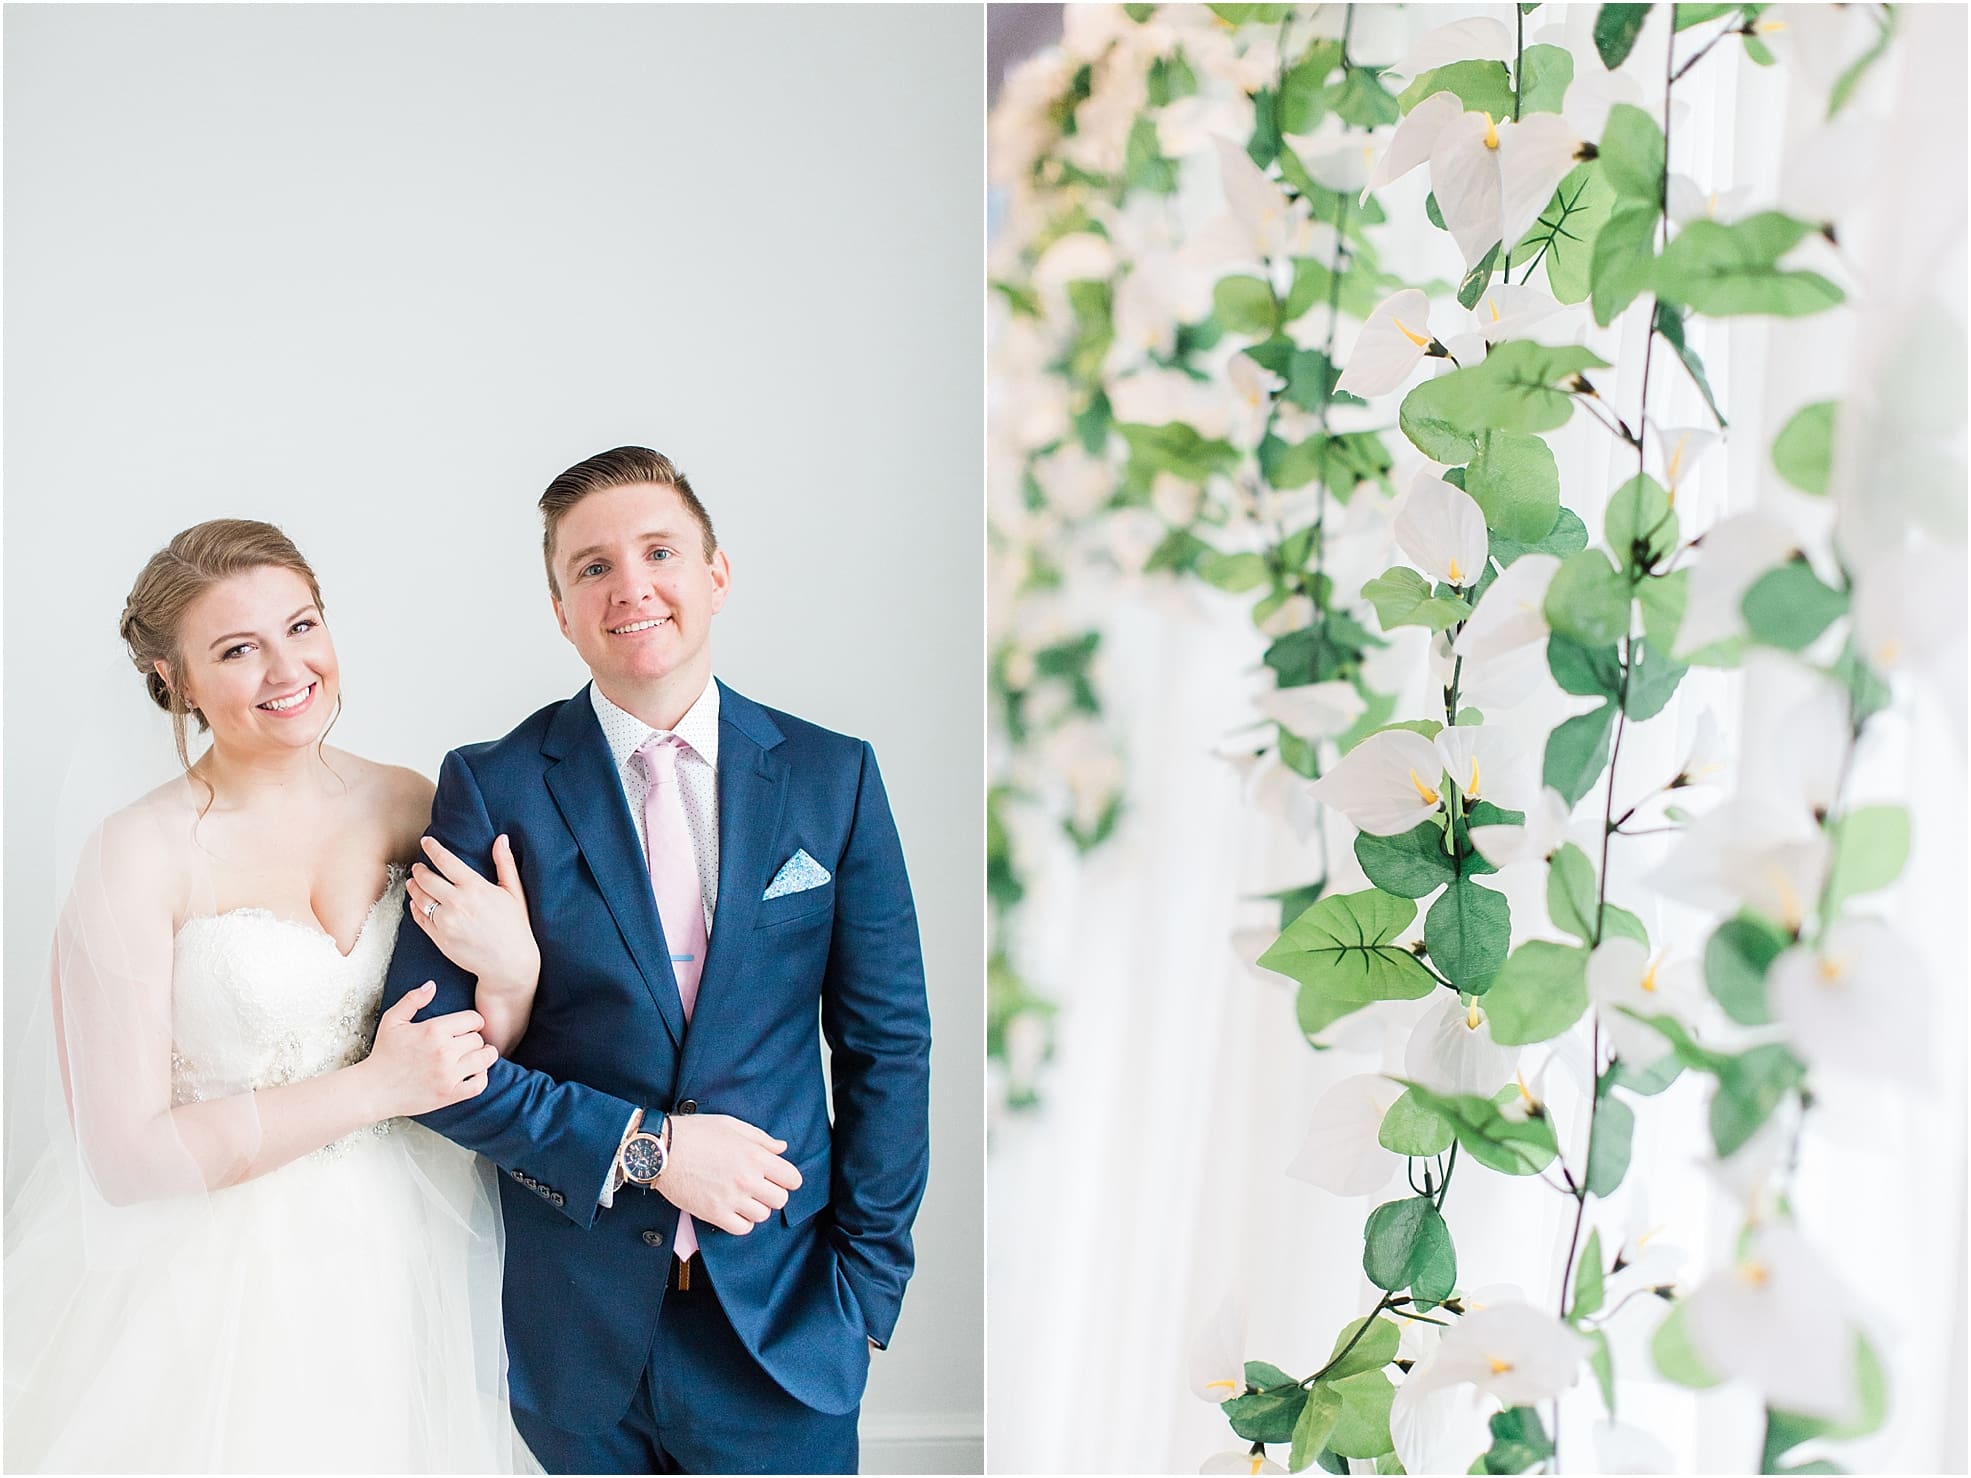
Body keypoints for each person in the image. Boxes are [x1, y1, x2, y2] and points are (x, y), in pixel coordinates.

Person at [380, 445, 933, 1475]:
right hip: (577, 1336)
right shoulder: (492, 786)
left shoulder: (833, 775)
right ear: (560, 608)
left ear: (716, 575)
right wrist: (647, 1147)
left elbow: (888, 1047)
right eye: (592, 566)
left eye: (659, 550)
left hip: (787, 1327)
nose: (630, 584)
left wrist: (865, 1290)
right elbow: (426, 1071)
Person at [3, 519, 540, 1472]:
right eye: (237, 649)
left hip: (403, 1248)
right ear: (175, 680)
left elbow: (472, 1049)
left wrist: (514, 973)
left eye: (302, 625)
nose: (287, 668)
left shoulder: (409, 803)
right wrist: (371, 1090)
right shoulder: (138, 853)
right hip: (216, 1276)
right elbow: (125, 1158)